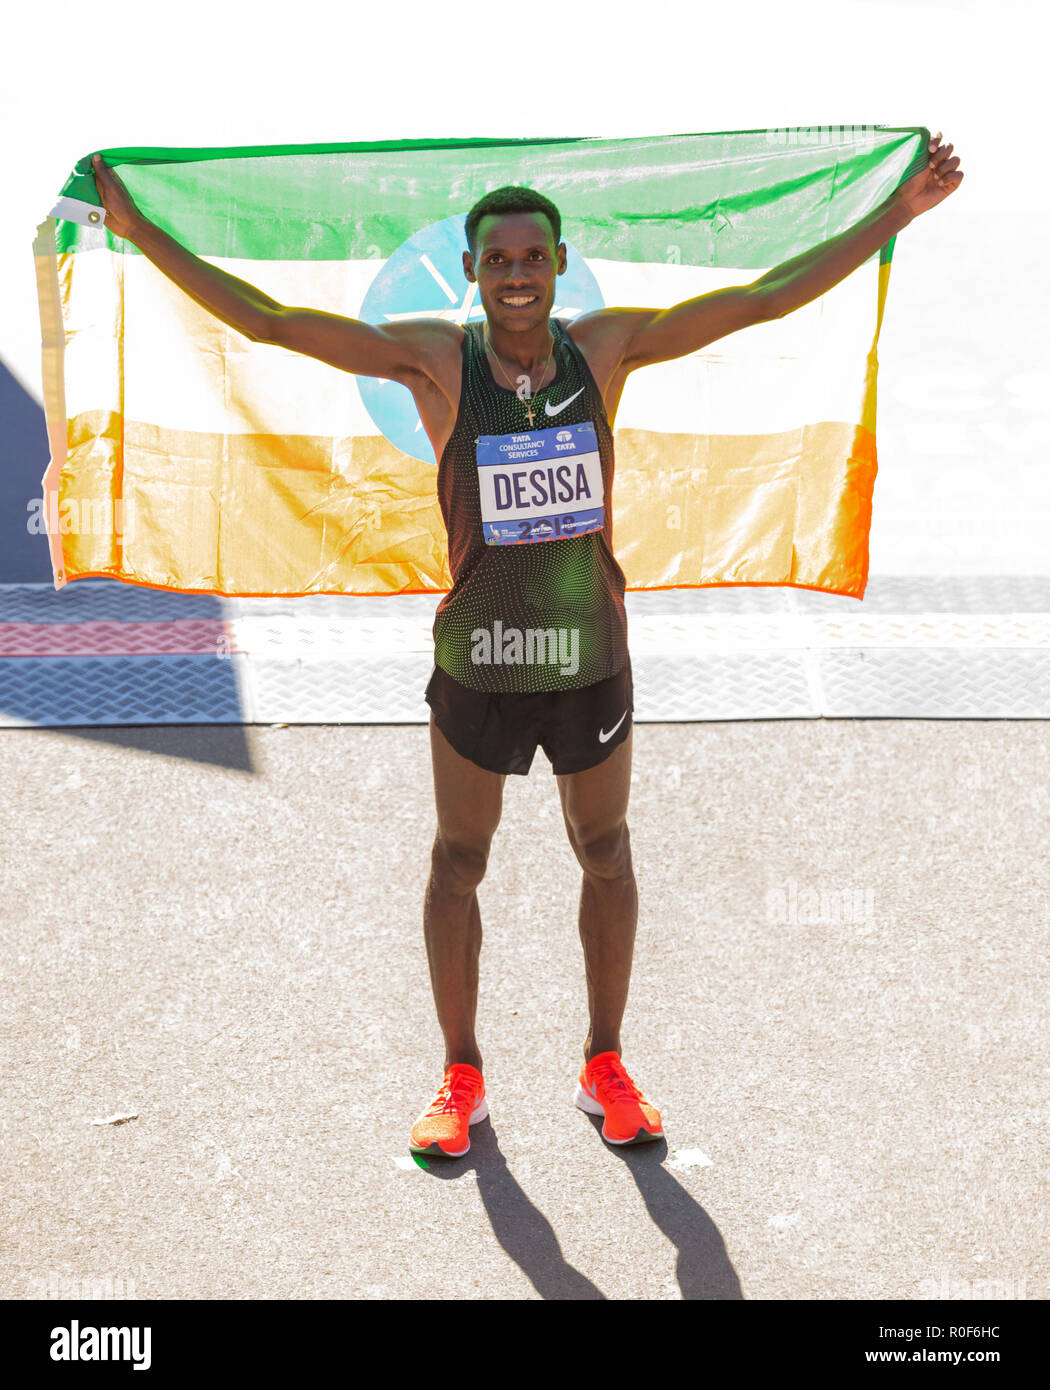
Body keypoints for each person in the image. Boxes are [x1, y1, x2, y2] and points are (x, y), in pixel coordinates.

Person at [89, 135, 961, 1158]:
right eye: (497, 260)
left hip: (590, 658)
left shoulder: (606, 349)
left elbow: (765, 299)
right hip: (480, 663)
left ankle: (606, 1066)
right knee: (460, 858)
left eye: (532, 258)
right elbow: (273, 325)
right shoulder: (434, 360)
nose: (515, 275)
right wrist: (143, 232)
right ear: (471, 271)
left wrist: (895, 215)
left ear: (558, 264)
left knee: (605, 850)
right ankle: (460, 1075)